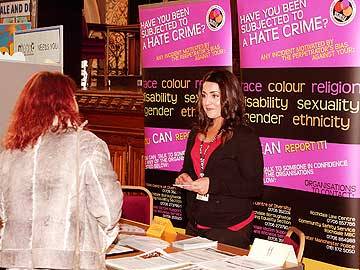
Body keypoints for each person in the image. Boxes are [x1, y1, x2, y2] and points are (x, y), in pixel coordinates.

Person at [0, 71, 123, 269]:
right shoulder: (86, 145)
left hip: (17, 263)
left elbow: (4, 212)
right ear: (67, 102)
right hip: (71, 262)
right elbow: (108, 211)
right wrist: (98, 241)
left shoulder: (11, 151)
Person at [175, 69, 264, 249]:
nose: (207, 102)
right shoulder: (196, 131)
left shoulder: (244, 136)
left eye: (215, 96)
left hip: (230, 229)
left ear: (229, 97)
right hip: (195, 224)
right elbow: (190, 169)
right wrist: (184, 178)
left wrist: (213, 185)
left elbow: (254, 186)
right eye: (204, 95)